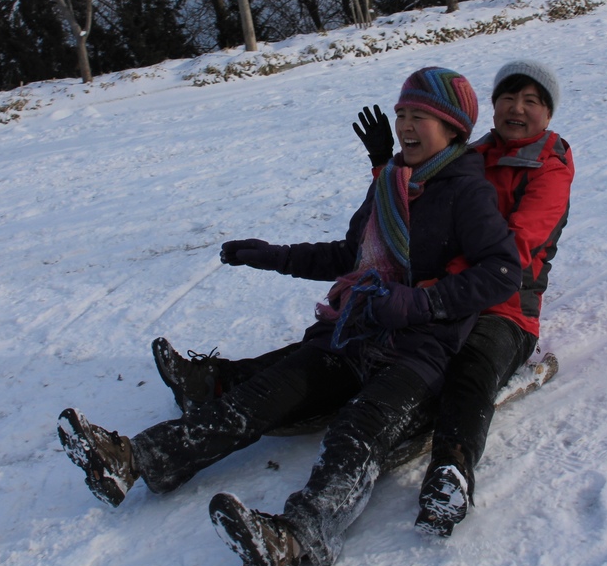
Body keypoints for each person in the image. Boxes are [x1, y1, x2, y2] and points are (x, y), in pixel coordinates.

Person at [57, 67, 521, 566]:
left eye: (420, 117)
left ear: (453, 128)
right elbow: (348, 255)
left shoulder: (466, 191)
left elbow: (500, 272)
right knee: (262, 395)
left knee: (355, 431)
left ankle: (297, 537)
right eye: (402, 113)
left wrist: (418, 304)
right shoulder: (389, 182)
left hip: (420, 352)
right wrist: (273, 255)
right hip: (355, 333)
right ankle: (137, 460)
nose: (406, 125)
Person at [155, 60, 575, 538]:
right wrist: (380, 174)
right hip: (429, 295)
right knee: (325, 352)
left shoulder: (547, 168)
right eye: (509, 98)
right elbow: (404, 216)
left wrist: (425, 291)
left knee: (471, 368)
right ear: (492, 105)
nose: (517, 109)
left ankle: (451, 469)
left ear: (547, 112)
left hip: (502, 303)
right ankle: (220, 381)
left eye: (531, 101)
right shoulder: (467, 154)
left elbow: (510, 256)